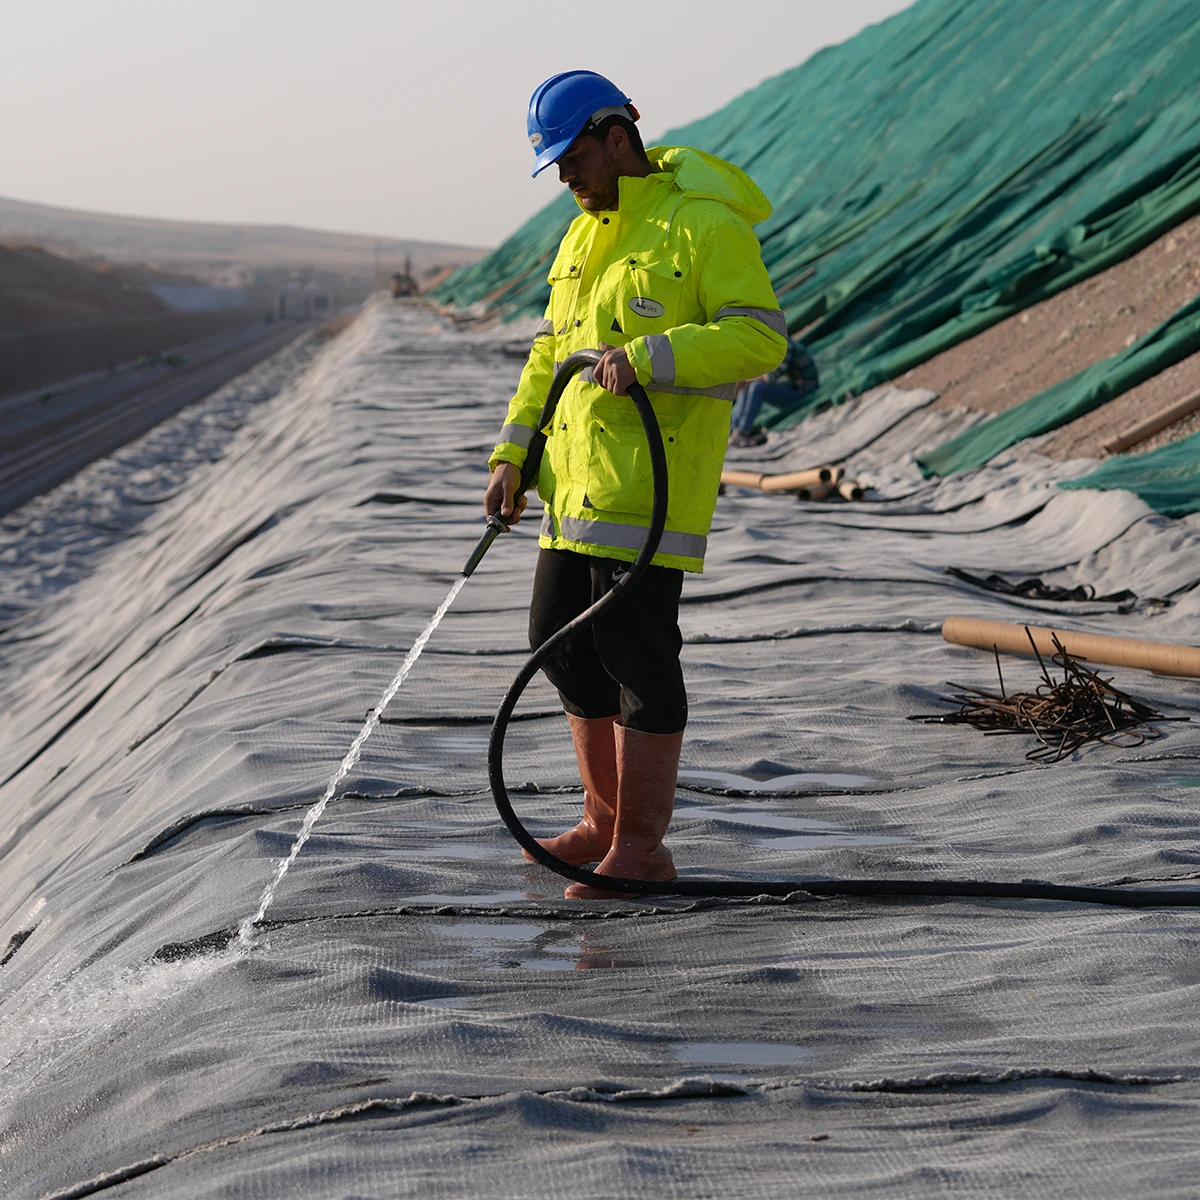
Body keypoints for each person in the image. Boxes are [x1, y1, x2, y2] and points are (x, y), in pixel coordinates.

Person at [483, 70, 787, 898]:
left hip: (651, 493)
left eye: (573, 159)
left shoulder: (702, 225)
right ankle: (604, 822)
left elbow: (760, 338)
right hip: (574, 490)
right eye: (556, 166)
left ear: (617, 138)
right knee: (558, 643)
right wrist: (514, 454)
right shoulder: (582, 236)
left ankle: (641, 848)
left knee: (638, 662)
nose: (565, 178)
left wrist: (655, 357)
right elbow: (549, 356)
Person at [728, 338, 820, 448]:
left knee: (757, 387)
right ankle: (733, 430)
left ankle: (743, 432)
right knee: (747, 386)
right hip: (791, 387)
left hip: (803, 394)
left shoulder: (787, 348)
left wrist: (743, 381)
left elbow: (770, 378)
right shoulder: (775, 346)